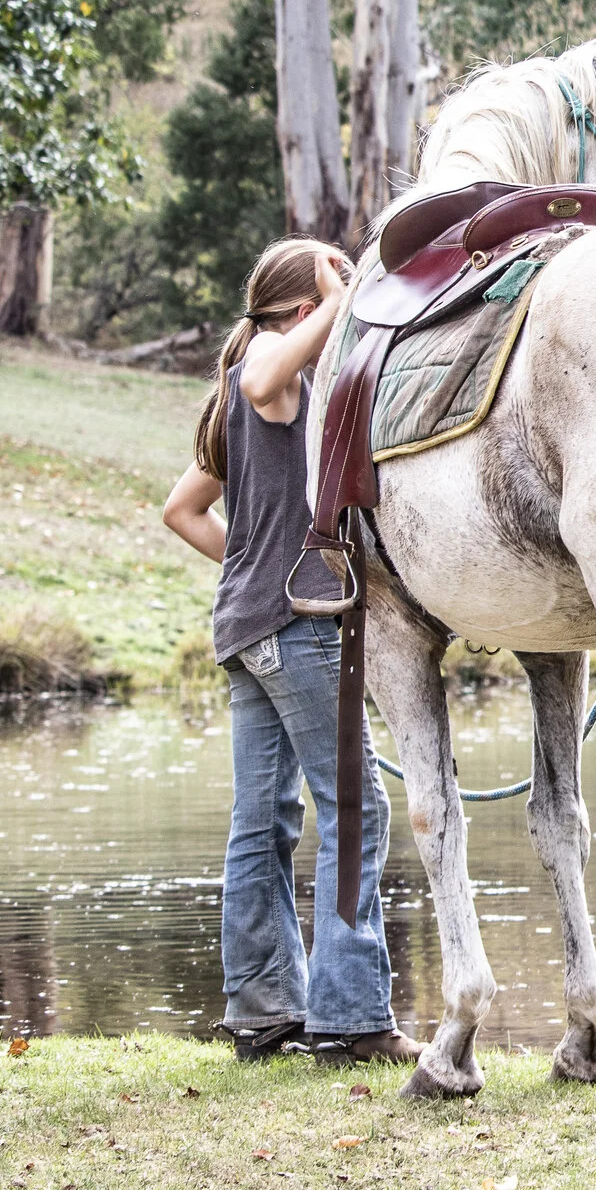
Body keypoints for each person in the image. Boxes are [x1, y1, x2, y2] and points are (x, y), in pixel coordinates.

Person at [162, 238, 419, 1067]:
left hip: (244, 625)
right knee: (356, 806)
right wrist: (340, 308)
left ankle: (264, 1010)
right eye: (335, 288)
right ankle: (349, 1018)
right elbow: (265, 376)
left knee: (262, 820)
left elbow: (182, 510)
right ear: (306, 309)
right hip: (292, 624)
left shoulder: (244, 389)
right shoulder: (272, 370)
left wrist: (252, 557)